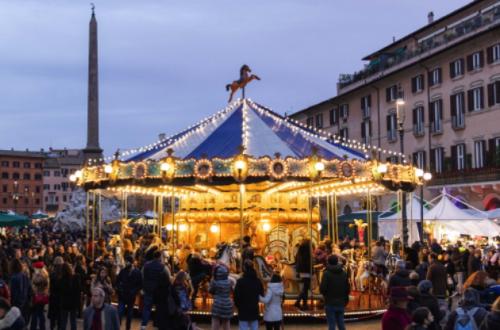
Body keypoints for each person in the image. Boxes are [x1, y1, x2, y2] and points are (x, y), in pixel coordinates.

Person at [141, 248, 170, 330]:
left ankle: (143, 324)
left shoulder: (146, 265)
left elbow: (142, 276)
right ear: (160, 257)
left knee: (147, 308)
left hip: (148, 289)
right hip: (158, 290)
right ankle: (157, 324)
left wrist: (143, 287)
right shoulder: (163, 267)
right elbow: (167, 277)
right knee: (159, 307)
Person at [320, 255, 350, 330]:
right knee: (341, 322)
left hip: (330, 302)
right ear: (337, 262)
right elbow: (347, 288)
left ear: (328, 262)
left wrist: (325, 295)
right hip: (341, 301)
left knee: (331, 324)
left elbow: (323, 289)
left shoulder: (326, 273)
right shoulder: (343, 273)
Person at [234, 260, 264, 330]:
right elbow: (261, 294)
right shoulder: (257, 281)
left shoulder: (240, 281)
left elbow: (236, 296)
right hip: (254, 309)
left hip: (243, 310)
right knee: (254, 327)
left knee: (243, 328)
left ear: (244, 268)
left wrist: (239, 306)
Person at [116, 255, 142, 330]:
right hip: (123, 294)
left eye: (127, 261)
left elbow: (140, 284)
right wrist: (119, 289)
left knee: (129, 313)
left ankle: (128, 327)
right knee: (120, 312)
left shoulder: (137, 272)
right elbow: (118, 281)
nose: (126, 263)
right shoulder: (123, 271)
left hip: (131, 296)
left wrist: (134, 291)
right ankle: (118, 326)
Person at [209, 265, 233, 330]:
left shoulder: (214, 282)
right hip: (227, 304)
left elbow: (210, 291)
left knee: (215, 322)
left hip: (217, 304)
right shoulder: (229, 282)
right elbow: (231, 291)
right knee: (226, 323)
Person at [59, 262, 81, 330]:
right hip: (73, 302)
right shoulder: (76, 277)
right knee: (73, 320)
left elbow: (60, 292)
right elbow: (78, 290)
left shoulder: (61, 279)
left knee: (63, 321)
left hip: (64, 302)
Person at [9, 259, 32, 324]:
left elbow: (13, 293)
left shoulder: (13, 278)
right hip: (26, 304)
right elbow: (30, 290)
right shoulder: (25, 276)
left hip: (17, 305)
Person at [31, 261, 49, 330]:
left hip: (38, 296)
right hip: (42, 295)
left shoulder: (41, 275)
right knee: (40, 312)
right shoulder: (45, 274)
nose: (34, 269)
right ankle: (41, 326)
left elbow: (35, 282)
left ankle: (37, 327)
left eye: (35, 268)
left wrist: (34, 277)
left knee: (37, 313)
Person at [294, 238, 312, 309]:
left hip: (302, 270)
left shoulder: (300, 250)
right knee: (305, 288)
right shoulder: (307, 251)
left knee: (305, 288)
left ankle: (301, 302)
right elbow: (308, 262)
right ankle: (301, 302)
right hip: (306, 271)